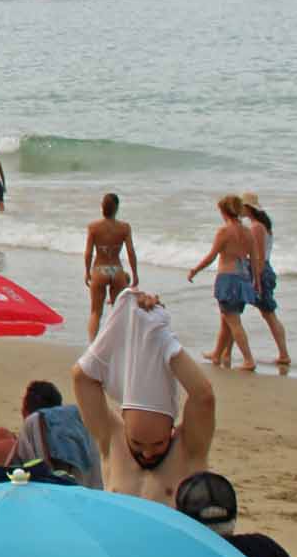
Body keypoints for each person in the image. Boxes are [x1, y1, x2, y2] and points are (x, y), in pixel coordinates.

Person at [72, 290, 216, 502]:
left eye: (158, 444)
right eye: (137, 444)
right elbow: (81, 378)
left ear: (171, 428)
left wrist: (162, 338)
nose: (148, 454)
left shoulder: (188, 449)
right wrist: (121, 319)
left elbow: (203, 396)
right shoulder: (111, 438)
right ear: (124, 422)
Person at [187, 194, 260, 370]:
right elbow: (254, 259)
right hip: (243, 279)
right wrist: (256, 281)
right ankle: (217, 354)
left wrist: (195, 270)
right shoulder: (248, 232)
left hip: (228, 279)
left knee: (233, 322)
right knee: (227, 320)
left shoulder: (224, 232)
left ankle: (248, 359)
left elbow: (211, 256)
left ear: (224, 212)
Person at [83, 192, 139, 340]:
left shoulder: (93, 227)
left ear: (102, 207)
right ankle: (116, 344)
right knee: (118, 312)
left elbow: (88, 253)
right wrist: (135, 274)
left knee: (95, 312)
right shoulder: (124, 228)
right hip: (116, 270)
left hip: (99, 269)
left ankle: (93, 345)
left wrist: (87, 271)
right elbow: (131, 252)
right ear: (117, 208)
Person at [242, 195, 290, 369]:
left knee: (268, 314)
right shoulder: (263, 225)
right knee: (266, 314)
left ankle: (284, 354)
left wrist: (256, 279)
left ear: (248, 208)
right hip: (261, 269)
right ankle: (222, 351)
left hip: (259, 270)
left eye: (242, 206)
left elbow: (259, 257)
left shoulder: (256, 227)